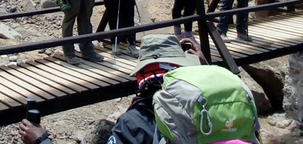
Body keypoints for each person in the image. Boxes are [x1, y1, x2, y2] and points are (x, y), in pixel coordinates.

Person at [18, 35, 202, 144]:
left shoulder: (136, 123)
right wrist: (205, 67)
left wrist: (41, 140)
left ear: (141, 77)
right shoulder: (212, 106)